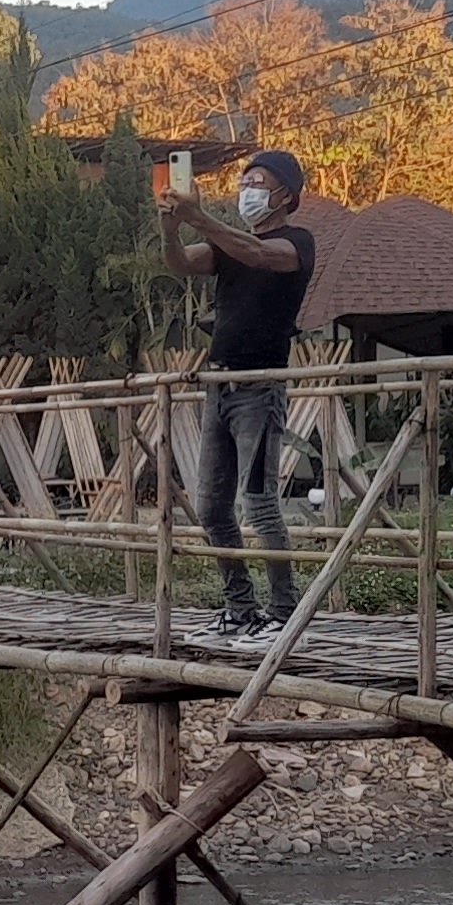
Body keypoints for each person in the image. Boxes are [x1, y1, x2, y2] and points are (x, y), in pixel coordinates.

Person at [157, 149, 319, 640]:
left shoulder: (297, 242)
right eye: (244, 181)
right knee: (211, 506)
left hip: (260, 387)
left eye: (258, 182)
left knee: (259, 502)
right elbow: (181, 262)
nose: (247, 189)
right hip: (219, 385)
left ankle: (284, 611)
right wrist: (171, 224)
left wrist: (198, 216)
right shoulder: (226, 244)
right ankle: (240, 607)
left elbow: (257, 254)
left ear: (285, 195)